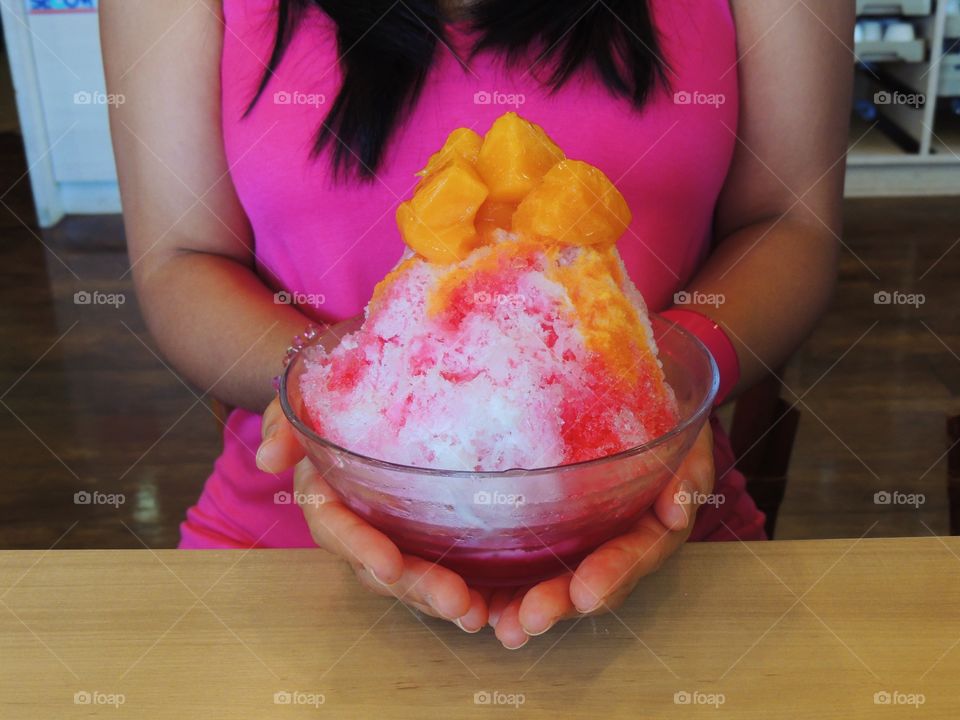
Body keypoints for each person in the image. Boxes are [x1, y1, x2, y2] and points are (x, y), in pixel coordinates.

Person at [101, 0, 853, 649]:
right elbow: (180, 259)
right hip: (288, 542)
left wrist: (659, 397)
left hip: (660, 523)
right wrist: (339, 414)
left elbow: (789, 224)